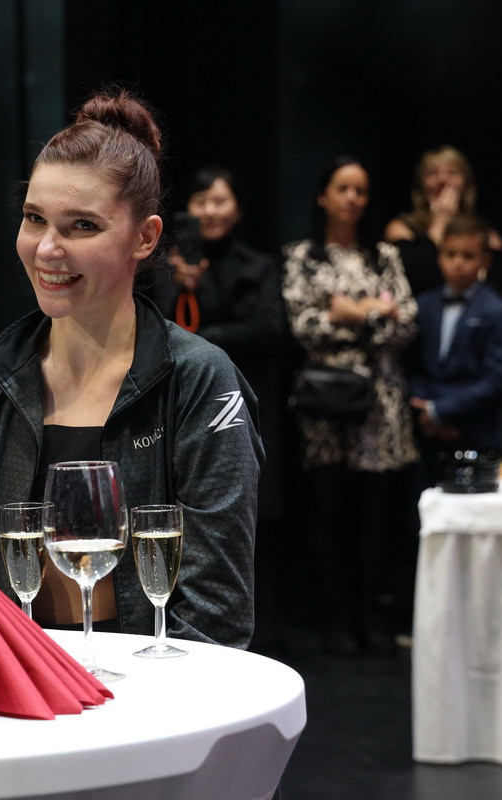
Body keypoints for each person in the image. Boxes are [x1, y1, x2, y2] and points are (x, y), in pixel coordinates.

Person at [0, 88, 262, 650]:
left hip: (156, 687)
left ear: (145, 237)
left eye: (82, 225)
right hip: (12, 684)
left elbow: (216, 614)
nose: (46, 249)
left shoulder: (199, 378)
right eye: (34, 218)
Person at [143, 165, 288, 651]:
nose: (210, 211)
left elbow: (268, 330)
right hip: (180, 409)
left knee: (254, 518)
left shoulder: (257, 265)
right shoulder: (166, 267)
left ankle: (263, 632)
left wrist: (205, 333)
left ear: (238, 208)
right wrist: (179, 284)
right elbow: (156, 329)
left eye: (220, 201)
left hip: (247, 404)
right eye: (201, 201)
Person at [281, 157, 417, 655]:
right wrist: (375, 313)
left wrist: (349, 314)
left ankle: (371, 615)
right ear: (323, 195)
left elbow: (407, 324)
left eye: (360, 190)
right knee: (330, 512)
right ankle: (338, 616)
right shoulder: (303, 256)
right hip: (326, 399)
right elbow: (304, 326)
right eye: (343, 188)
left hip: (381, 401)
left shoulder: (384, 255)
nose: (353, 198)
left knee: (377, 514)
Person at [406, 214, 502, 487]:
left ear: (485, 260)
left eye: (468, 256)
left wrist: (442, 410)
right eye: (450, 254)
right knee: (423, 506)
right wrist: (427, 412)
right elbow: (412, 365)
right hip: (428, 435)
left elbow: (495, 380)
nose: (458, 263)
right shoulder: (423, 304)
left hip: (477, 434)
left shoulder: (496, 309)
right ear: (439, 256)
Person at [384, 145, 502, 298]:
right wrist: (440, 222)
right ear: (421, 187)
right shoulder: (401, 228)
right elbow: (413, 277)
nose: (442, 180)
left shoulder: (485, 232)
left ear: (466, 185)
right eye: (432, 173)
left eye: (452, 172)